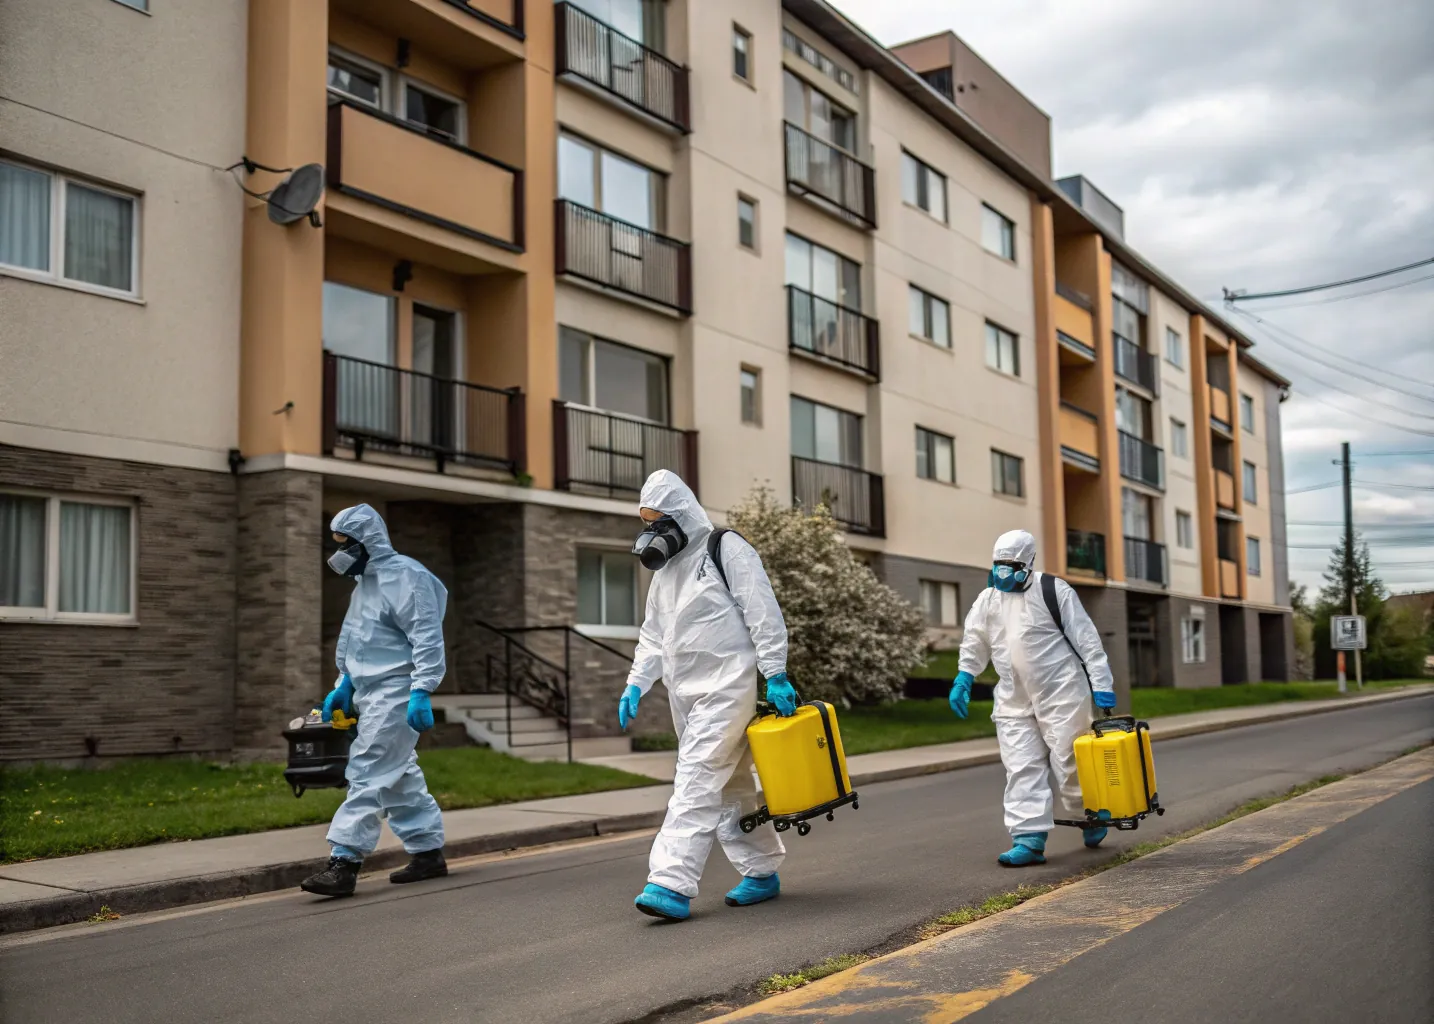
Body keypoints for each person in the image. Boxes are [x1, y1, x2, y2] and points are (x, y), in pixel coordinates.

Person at [618, 470, 796, 921]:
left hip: (727, 687)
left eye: (661, 521)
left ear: (682, 515)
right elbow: (653, 636)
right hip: (687, 695)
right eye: (647, 523)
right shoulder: (666, 575)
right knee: (732, 787)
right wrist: (636, 682)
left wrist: (775, 672)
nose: (654, 533)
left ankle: (670, 882)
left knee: (695, 779)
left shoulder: (725, 548)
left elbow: (762, 611)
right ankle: (761, 871)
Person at [300, 504, 450, 897]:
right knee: (398, 776)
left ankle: (344, 861)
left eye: (346, 543)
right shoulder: (365, 582)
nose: (340, 552)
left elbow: (427, 638)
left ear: (368, 541)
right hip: (369, 691)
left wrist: (422, 689)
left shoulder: (407, 577)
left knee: (367, 767)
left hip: (398, 690)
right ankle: (428, 852)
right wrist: (344, 682)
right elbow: (355, 638)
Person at [949, 529, 1116, 866]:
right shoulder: (988, 600)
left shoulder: (1053, 591)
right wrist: (965, 675)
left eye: (1010, 565)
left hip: (1062, 692)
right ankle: (1028, 839)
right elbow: (975, 641)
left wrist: (1102, 684)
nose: (1002, 573)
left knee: (1070, 761)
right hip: (1013, 696)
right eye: (998, 565)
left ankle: (1091, 814)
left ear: (1027, 563)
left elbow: (1086, 640)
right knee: (1021, 766)